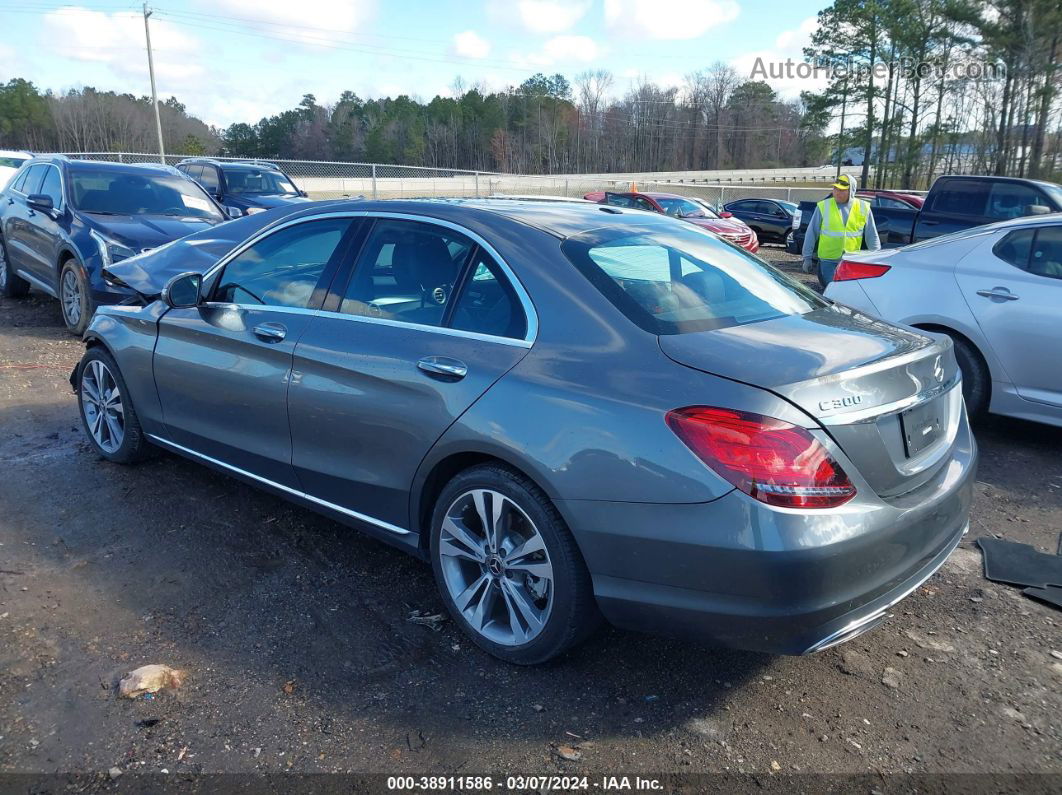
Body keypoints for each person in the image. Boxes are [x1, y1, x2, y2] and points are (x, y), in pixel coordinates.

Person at [801, 174, 881, 284]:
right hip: (827, 261)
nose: (837, 192)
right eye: (835, 188)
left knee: (845, 295)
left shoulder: (863, 208)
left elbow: (872, 236)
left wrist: (877, 260)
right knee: (830, 293)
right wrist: (807, 257)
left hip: (851, 261)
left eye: (842, 190)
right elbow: (811, 233)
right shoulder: (823, 206)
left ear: (851, 191)